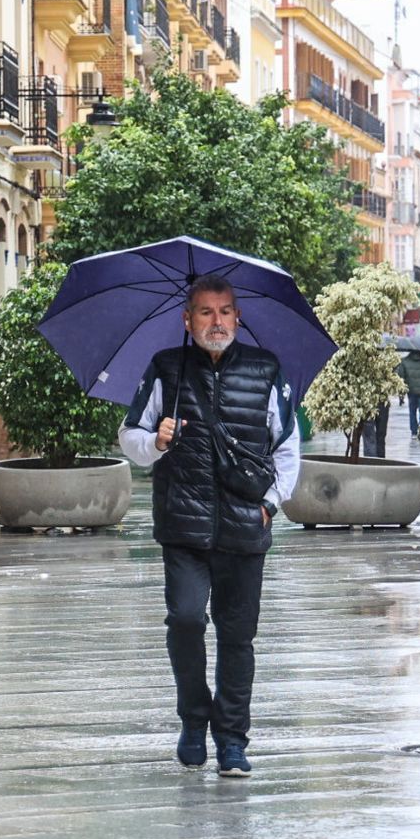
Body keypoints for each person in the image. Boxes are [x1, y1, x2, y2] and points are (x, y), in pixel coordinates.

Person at [120, 275, 300, 778]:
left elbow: (287, 446)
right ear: (188, 319)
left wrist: (270, 504)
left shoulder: (266, 370)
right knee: (186, 620)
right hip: (184, 527)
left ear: (237, 317)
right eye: (205, 312)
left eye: (224, 312)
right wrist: (156, 441)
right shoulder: (166, 369)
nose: (216, 322)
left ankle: (233, 741)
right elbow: (129, 438)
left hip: (245, 528)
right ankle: (194, 720)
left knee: (238, 637)